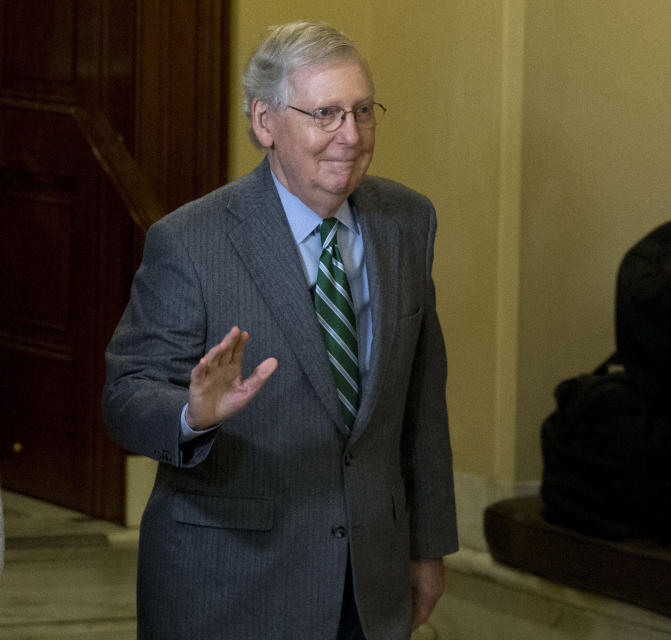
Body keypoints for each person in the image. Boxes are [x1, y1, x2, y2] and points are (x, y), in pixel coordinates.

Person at [102, 20, 458, 640]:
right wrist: (194, 415)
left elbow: (421, 400)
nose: (350, 136)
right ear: (265, 123)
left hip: (369, 580)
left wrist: (428, 548)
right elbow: (127, 395)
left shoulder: (408, 220)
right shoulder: (189, 241)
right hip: (228, 583)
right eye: (325, 113)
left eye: (362, 111)